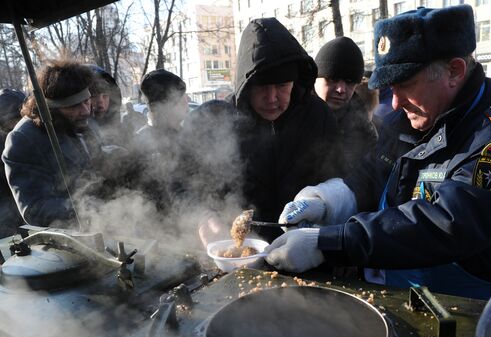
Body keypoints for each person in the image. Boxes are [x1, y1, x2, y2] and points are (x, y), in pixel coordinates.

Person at [263, 5, 491, 300]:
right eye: (391, 88)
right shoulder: (413, 115)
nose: (396, 103)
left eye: (405, 84)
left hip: (473, 305)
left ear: (454, 71)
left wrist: (330, 244)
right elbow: (375, 173)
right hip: (398, 288)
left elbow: (447, 223)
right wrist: (327, 199)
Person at [199, 17, 341, 244]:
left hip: (307, 244)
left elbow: (337, 179)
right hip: (243, 249)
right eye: (262, 87)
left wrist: (325, 212)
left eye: (283, 86)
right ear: (246, 87)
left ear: (295, 82)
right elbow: (200, 185)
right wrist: (205, 216)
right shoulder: (224, 121)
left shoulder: (318, 116)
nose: (272, 98)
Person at [2, 60, 108, 228]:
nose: (86, 111)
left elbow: (93, 164)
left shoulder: (85, 119)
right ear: (52, 108)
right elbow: (34, 208)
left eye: (87, 101)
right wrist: (85, 208)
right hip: (68, 237)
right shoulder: (23, 139)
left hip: (108, 224)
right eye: (74, 106)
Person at [314, 37, 378, 174]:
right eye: (332, 79)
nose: (341, 89)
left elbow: (370, 178)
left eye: (349, 82)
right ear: (315, 79)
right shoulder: (292, 117)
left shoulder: (364, 130)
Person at [132, 69, 189, 210]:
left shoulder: (185, 135)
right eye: (180, 98)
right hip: (163, 226)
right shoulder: (143, 143)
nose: (186, 101)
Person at [0, 89, 26, 236]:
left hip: (26, 211)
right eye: (13, 120)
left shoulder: (29, 137)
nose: (18, 124)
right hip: (6, 218)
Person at [86, 64, 125, 145]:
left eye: (105, 96)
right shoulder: (81, 134)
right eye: (94, 96)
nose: (100, 101)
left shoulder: (120, 127)